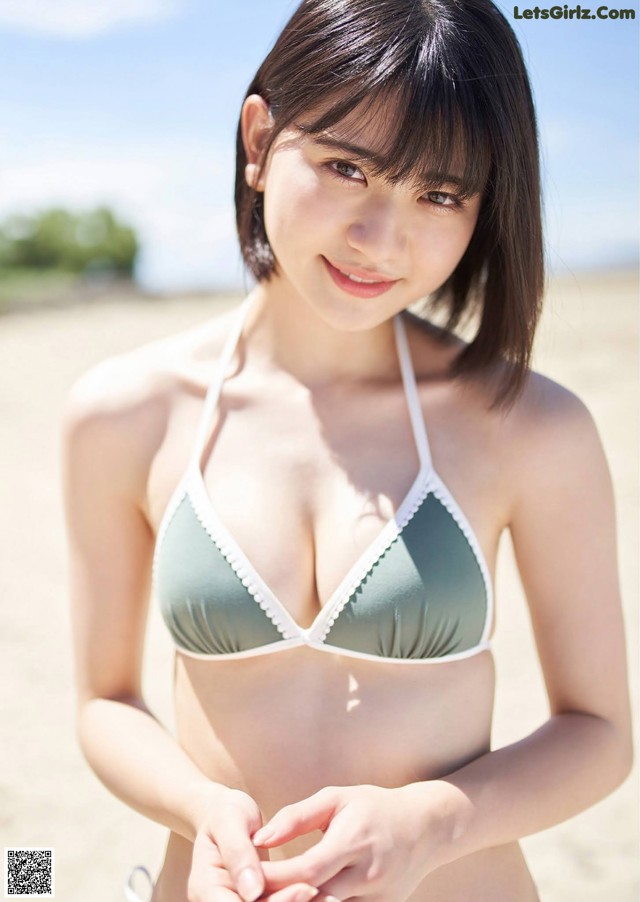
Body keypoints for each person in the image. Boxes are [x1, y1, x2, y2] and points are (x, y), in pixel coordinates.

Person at [61, 0, 633, 900]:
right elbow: (104, 702)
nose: (381, 238)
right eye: (345, 167)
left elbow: (600, 731)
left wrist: (436, 821)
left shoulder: (527, 424)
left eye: (439, 194)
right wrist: (201, 807)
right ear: (258, 141)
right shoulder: (125, 414)